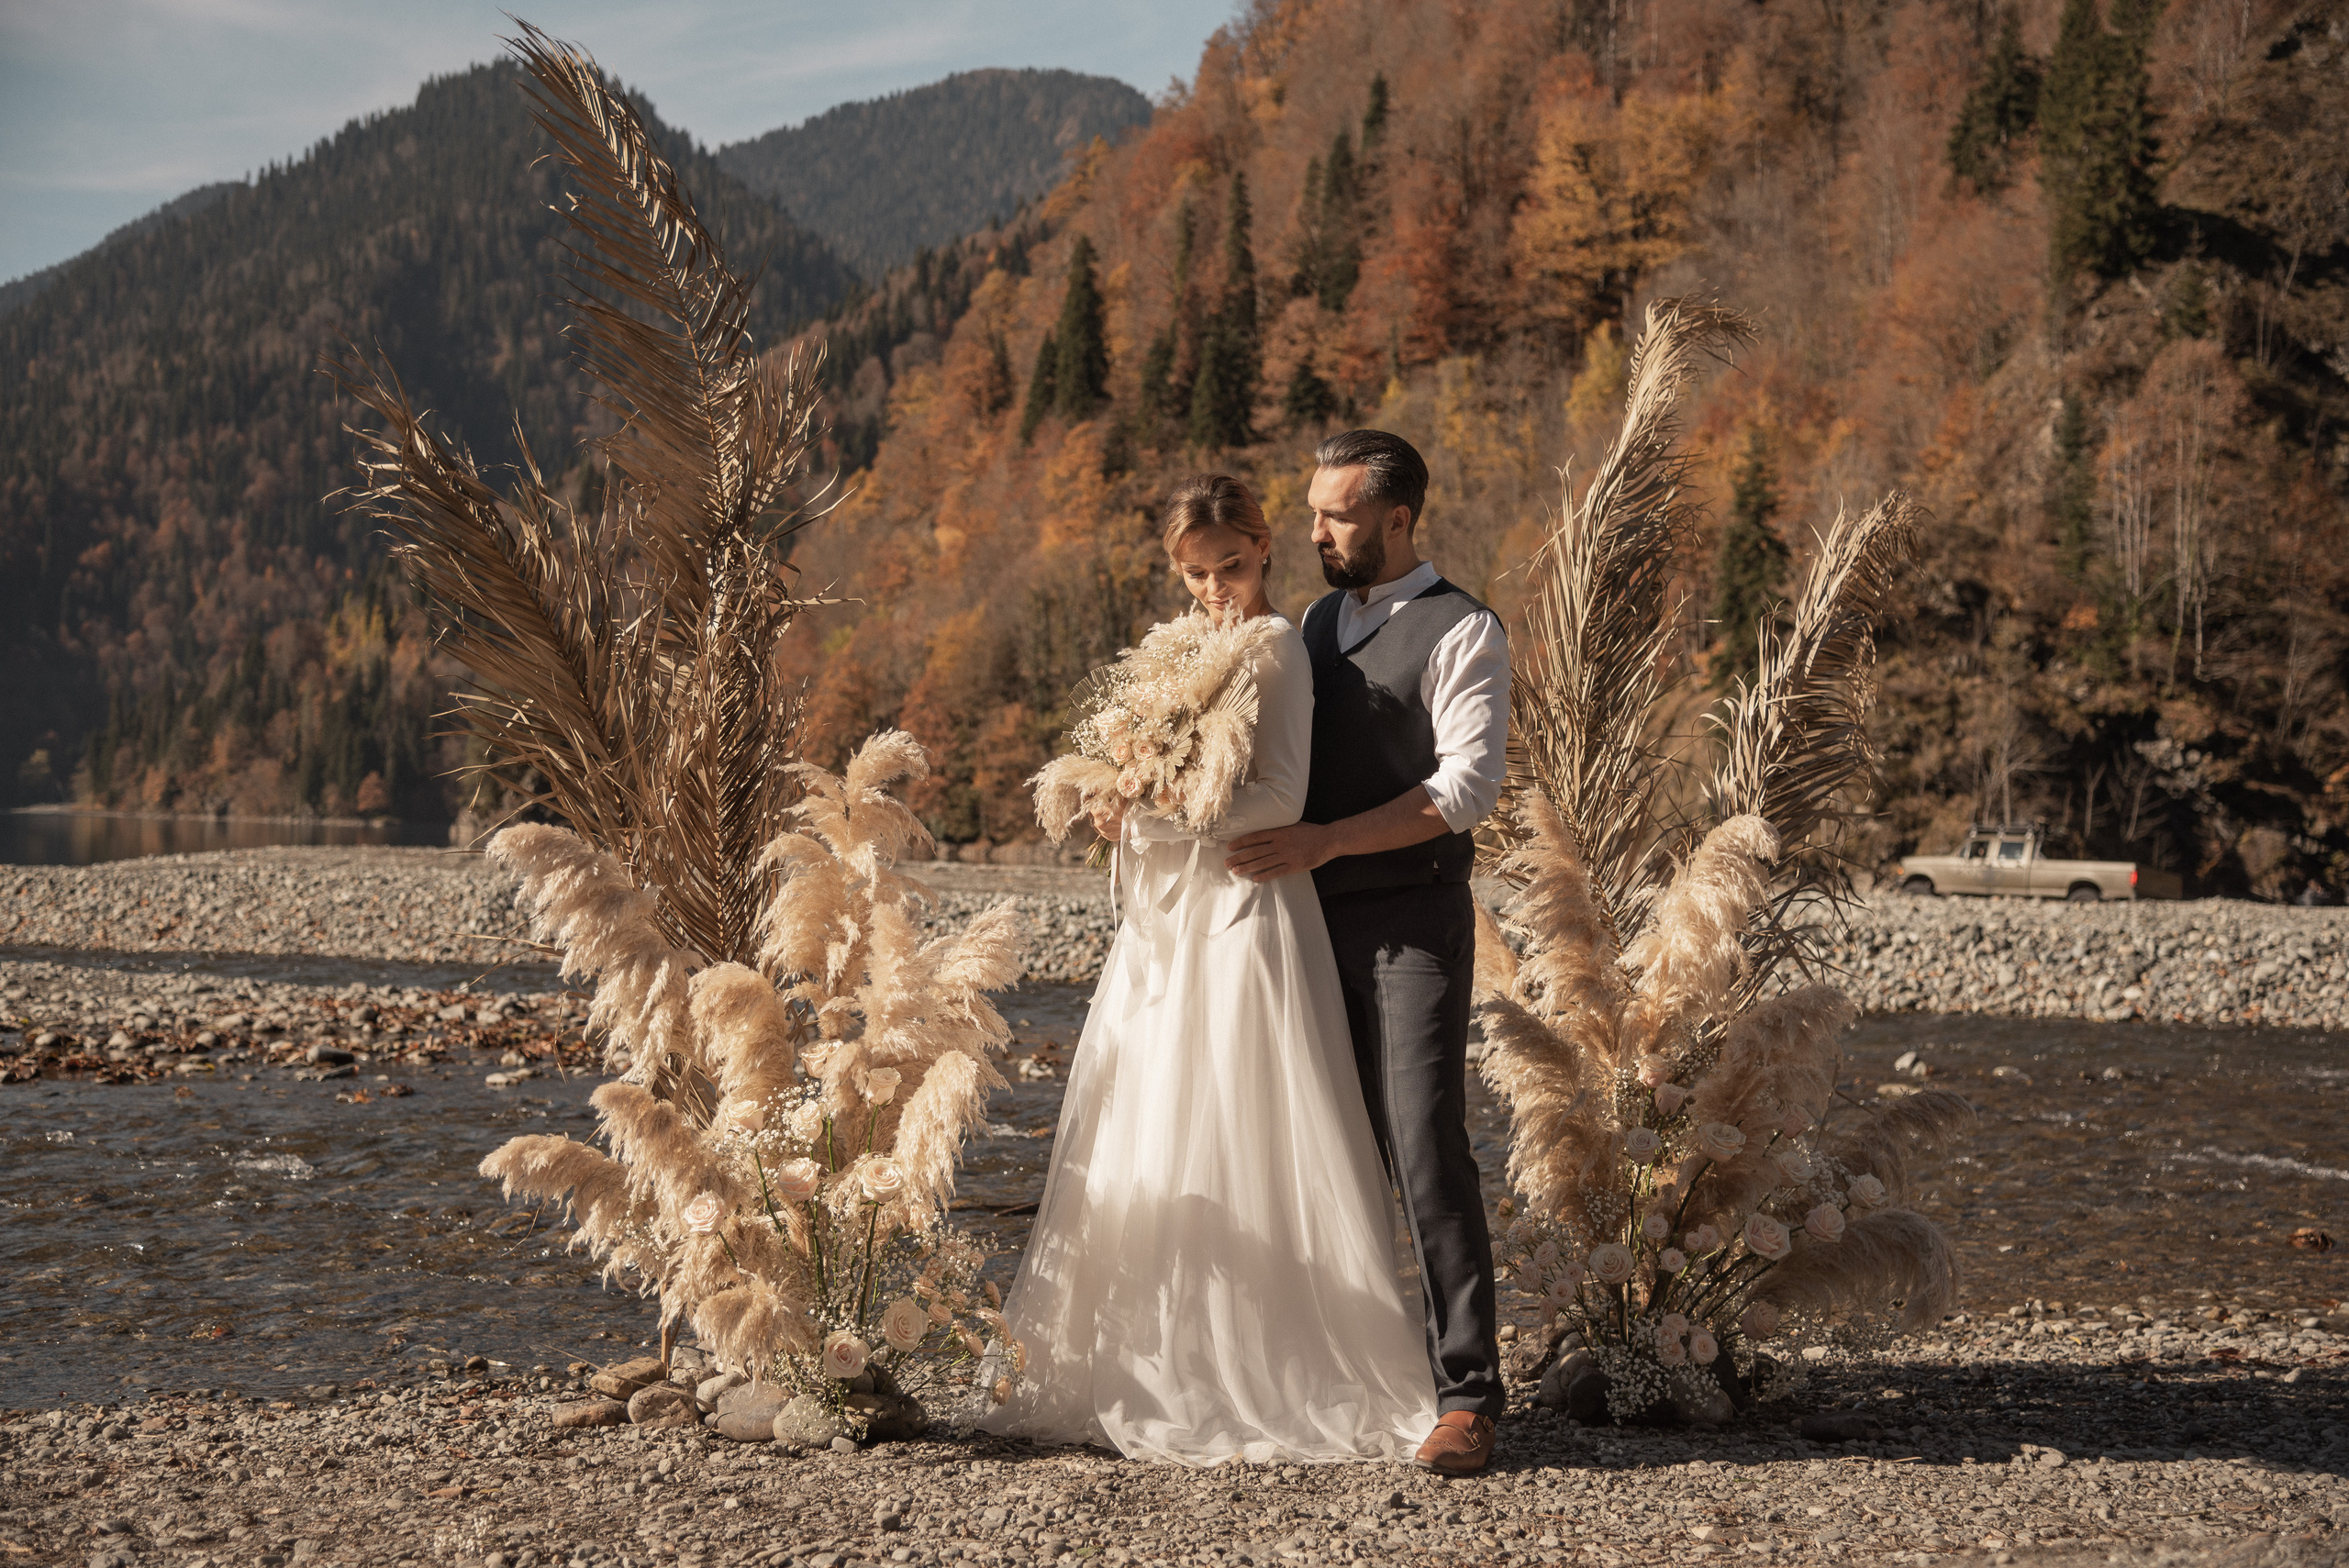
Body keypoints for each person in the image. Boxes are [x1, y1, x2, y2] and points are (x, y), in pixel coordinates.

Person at [979, 473, 1440, 1464]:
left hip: (1245, 904)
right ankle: (1147, 1352)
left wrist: (1151, 807)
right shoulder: (1179, 645)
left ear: (1264, 547)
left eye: (1229, 565)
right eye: (1194, 573)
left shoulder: (1277, 645)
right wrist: (1112, 797)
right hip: (1170, 914)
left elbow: (1279, 793)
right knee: (1152, 1112)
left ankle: (1265, 1361)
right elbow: (1155, 764)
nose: (1214, 588)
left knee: (1239, 1110)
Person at [1225, 429, 1510, 1475]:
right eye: (1312, 512)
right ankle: (1332, 1372)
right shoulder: (1307, 620)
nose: (1313, 531)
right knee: (1316, 1146)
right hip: (1294, 923)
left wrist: (1326, 840)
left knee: (1426, 1149)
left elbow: (1466, 789)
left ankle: (1469, 1395)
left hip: (1410, 926)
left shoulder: (1462, 628)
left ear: (1397, 519)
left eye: (1335, 515)